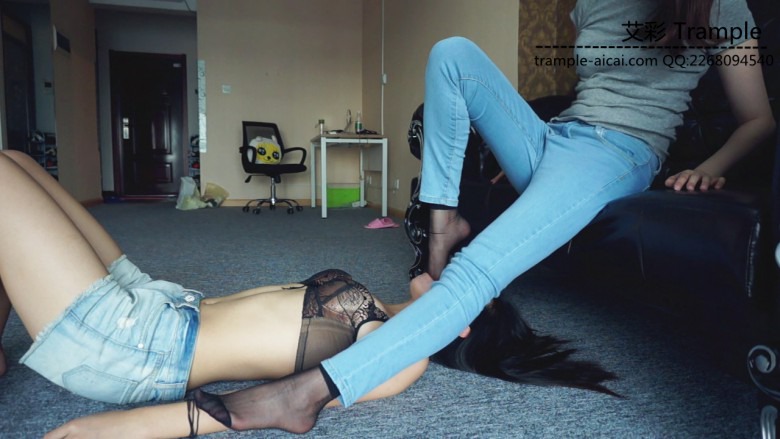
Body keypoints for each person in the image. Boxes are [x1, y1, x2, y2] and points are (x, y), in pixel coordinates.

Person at [183, 0, 777, 434]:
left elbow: (759, 118)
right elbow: (589, 94)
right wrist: (533, 157)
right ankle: (442, 218)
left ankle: (312, 392)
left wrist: (708, 167)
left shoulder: (719, 5)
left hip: (619, 153)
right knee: (453, 55)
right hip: (558, 138)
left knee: (474, 270)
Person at [0, 149, 617, 438]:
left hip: (137, 346)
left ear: (459, 323)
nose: (454, 264)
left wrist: (103, 432)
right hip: (158, 300)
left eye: (466, 285)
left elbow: (274, 406)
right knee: (18, 161)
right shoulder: (383, 309)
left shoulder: (402, 359)